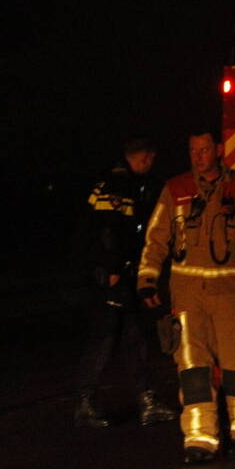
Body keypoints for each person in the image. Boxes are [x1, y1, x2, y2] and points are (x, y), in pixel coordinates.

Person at [137, 126, 235, 464]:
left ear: (218, 150)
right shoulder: (175, 189)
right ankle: (199, 439)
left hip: (230, 292)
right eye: (193, 151)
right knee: (192, 367)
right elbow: (156, 238)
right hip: (188, 293)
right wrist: (147, 279)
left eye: (204, 150)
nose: (198, 157)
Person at [74, 138, 177, 428]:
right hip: (113, 277)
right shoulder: (119, 183)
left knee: (133, 337)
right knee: (107, 337)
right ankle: (86, 401)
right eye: (150, 159)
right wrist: (113, 267)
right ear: (144, 157)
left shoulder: (122, 180)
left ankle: (146, 400)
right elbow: (108, 226)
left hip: (121, 274)